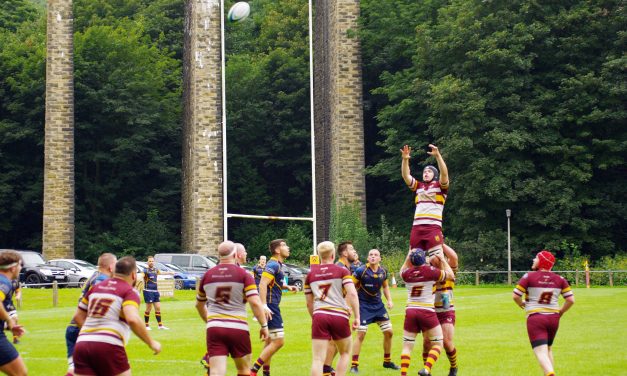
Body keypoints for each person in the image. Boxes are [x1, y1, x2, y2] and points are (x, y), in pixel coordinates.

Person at [72, 256, 161, 376]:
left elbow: (78, 316)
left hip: (82, 344)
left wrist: (92, 334)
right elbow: (133, 319)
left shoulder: (96, 288)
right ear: (134, 275)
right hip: (108, 345)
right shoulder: (129, 291)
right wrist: (151, 343)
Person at [196, 241, 269, 376]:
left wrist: (211, 321)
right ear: (235, 254)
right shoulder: (244, 274)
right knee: (244, 370)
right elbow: (254, 302)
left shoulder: (207, 275)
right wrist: (264, 325)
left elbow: (199, 305)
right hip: (238, 327)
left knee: (216, 371)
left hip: (214, 327)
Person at [513, 250, 575, 376]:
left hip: (536, 318)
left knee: (540, 351)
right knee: (548, 349)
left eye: (536, 258)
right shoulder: (560, 279)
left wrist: (521, 304)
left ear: (541, 262)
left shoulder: (529, 276)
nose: (533, 260)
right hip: (554, 318)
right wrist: (560, 312)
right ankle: (549, 372)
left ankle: (550, 374)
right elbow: (570, 300)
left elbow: (515, 296)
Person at [306, 241, 360, 376]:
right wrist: (357, 316)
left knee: (318, 359)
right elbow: (352, 293)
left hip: (319, 314)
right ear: (333, 255)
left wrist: (316, 317)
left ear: (318, 255)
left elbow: (309, 303)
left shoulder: (310, 275)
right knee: (345, 353)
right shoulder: (342, 270)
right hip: (339, 314)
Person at [400, 248, 454, 376]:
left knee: (407, 346)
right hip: (426, 311)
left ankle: (403, 374)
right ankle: (426, 369)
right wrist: (442, 260)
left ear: (411, 260)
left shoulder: (406, 274)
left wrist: (408, 257)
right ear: (424, 259)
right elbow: (450, 275)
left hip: (410, 310)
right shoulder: (431, 272)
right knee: (438, 343)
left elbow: (401, 270)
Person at [400, 144, 457, 263]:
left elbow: (445, 174)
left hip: (433, 228)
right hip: (417, 227)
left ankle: (441, 280)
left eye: (429, 171)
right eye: (424, 171)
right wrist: (405, 160)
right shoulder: (418, 186)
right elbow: (406, 175)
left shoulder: (440, 186)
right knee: (412, 259)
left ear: (435, 175)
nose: (426, 173)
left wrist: (438, 156)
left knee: (437, 260)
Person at [64, 252, 117, 376]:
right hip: (85, 328)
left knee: (76, 370)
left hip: (74, 327)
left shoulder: (94, 276)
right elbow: (95, 306)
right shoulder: (101, 280)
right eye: (116, 264)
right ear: (110, 267)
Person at [250, 239, 298, 376]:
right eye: (284, 245)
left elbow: (272, 282)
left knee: (270, 341)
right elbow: (262, 284)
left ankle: (266, 373)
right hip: (270, 305)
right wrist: (264, 305)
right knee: (279, 341)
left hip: (270, 304)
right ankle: (253, 371)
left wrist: (287, 286)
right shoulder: (273, 264)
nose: (288, 247)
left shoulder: (277, 265)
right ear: (277, 250)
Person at [349, 249, 399, 373]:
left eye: (375, 255)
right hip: (363, 306)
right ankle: (354, 365)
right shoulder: (361, 270)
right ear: (367, 258)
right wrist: (349, 305)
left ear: (379, 259)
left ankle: (387, 362)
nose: (373, 257)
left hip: (378, 306)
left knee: (389, 332)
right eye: (370, 254)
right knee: (361, 334)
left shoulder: (383, 271)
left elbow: (386, 286)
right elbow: (349, 286)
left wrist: (389, 300)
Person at [422, 243, 458, 376]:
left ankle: (454, 367)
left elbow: (454, 257)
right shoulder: (427, 270)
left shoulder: (448, 268)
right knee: (426, 343)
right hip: (430, 311)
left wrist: (440, 243)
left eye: (437, 254)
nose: (434, 257)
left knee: (446, 342)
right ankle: (427, 370)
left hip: (446, 311)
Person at [324, 241, 359, 374]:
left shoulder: (344, 267)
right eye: (352, 249)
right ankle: (325, 369)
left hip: (335, 308)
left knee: (337, 343)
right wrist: (345, 306)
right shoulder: (341, 268)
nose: (354, 251)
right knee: (335, 342)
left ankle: (327, 367)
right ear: (345, 253)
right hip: (334, 309)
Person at [0, 250, 27, 376]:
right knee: (20, 373)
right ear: (13, 268)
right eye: (20, 265)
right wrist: (9, 320)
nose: (21, 268)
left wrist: (9, 326)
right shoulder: (4, 282)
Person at [143, 255, 170, 330]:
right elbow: (141, 275)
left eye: (152, 261)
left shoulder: (155, 269)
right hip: (148, 291)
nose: (151, 262)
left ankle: (160, 326)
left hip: (155, 291)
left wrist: (170, 273)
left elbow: (161, 273)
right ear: (147, 262)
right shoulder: (145, 270)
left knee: (158, 308)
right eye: (150, 261)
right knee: (148, 309)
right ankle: (146, 326)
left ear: (154, 262)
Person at [6, 279, 21, 345]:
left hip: (9, 304)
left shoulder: (15, 281)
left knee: (15, 318)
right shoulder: (2, 281)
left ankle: (15, 338)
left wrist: (18, 296)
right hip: (2, 304)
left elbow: (18, 290)